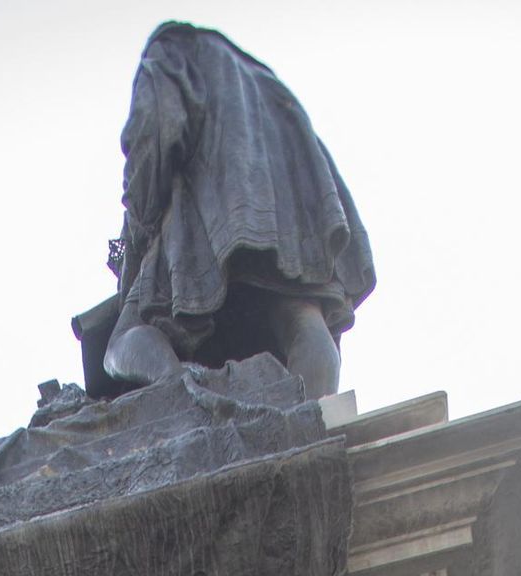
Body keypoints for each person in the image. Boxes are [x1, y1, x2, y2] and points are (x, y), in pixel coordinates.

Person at [104, 24, 375, 400]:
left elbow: (157, 126)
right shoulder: (268, 84)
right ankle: (315, 421)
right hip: (293, 217)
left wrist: (142, 214)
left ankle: (180, 391)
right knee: (301, 314)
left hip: (209, 213)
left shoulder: (171, 48)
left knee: (120, 341)